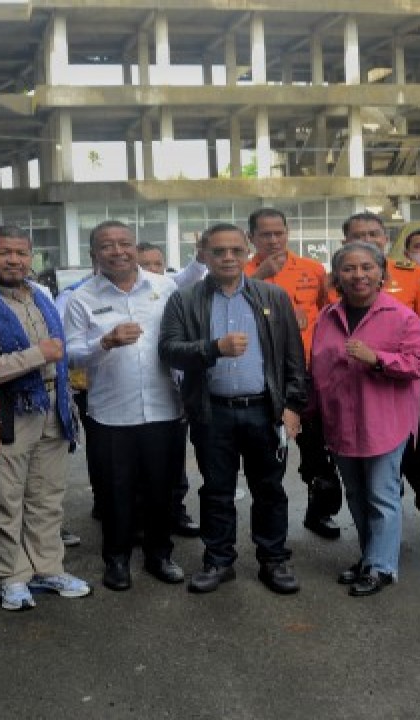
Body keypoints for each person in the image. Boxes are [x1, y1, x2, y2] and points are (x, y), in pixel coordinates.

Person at [158, 223, 307, 595]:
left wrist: (292, 405)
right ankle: (219, 561)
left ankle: (273, 559)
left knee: (269, 489)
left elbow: (293, 359)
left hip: (264, 411)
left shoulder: (272, 296)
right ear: (204, 255)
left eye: (236, 251)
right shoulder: (184, 299)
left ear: (246, 253)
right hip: (213, 413)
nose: (228, 258)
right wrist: (213, 349)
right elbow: (169, 350)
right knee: (216, 491)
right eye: (219, 251)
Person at [0, 225, 91, 611]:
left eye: (21, 253)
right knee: (5, 499)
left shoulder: (41, 298)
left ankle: (47, 568)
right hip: (6, 414)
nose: (14, 260)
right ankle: (11, 576)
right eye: (4, 252)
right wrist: (38, 356)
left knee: (46, 498)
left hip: (52, 408)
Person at [66, 221, 186, 591]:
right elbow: (70, 356)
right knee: (114, 491)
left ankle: (159, 555)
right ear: (94, 255)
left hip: (164, 407)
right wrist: (104, 342)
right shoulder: (81, 298)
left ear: (135, 247)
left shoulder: (166, 289)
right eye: (107, 246)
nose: (117, 251)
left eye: (124, 243)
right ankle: (116, 560)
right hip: (110, 412)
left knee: (162, 489)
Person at [310, 242, 420, 596]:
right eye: (348, 268)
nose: (358, 275)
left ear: (381, 274)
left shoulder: (400, 316)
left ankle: (381, 567)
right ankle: (369, 557)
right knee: (357, 494)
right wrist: (311, 413)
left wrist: (378, 358)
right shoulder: (328, 316)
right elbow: (319, 368)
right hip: (341, 422)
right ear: (337, 276)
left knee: (381, 495)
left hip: (384, 423)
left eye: (366, 267)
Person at [345, 213, 420, 547]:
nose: (368, 239)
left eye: (374, 233)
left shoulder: (411, 274)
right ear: (345, 240)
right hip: (357, 392)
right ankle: (384, 538)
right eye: (359, 234)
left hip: (404, 387)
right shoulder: (340, 278)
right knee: (374, 474)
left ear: (385, 238)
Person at [244, 209, 340, 541]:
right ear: (252, 237)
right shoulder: (240, 272)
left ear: (288, 233)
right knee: (270, 456)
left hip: (308, 377)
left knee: (316, 450)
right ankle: (271, 530)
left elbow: (333, 312)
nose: (273, 240)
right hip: (264, 379)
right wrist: (257, 276)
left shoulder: (312, 270)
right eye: (265, 234)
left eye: (278, 233)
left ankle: (320, 511)